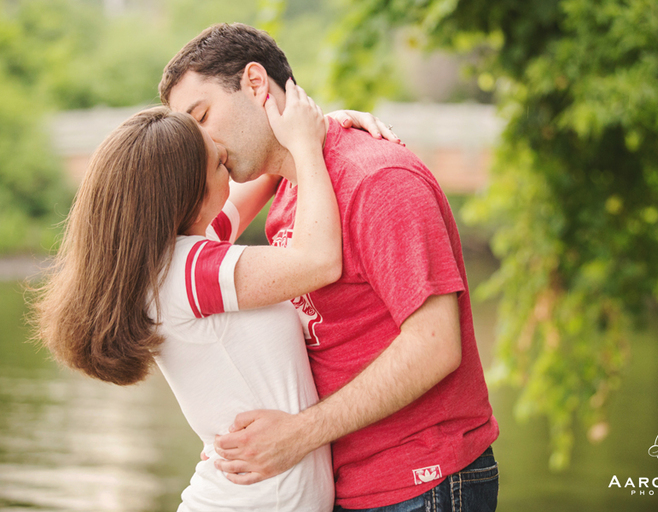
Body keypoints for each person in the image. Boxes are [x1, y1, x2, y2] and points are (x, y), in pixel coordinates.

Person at [160, 23, 500, 511]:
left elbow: (434, 346)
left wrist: (299, 434)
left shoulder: (377, 181)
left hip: (421, 483)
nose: (201, 146)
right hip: (348, 484)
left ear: (257, 85)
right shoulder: (291, 188)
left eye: (203, 116)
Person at [32, 81, 397, 511]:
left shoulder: (175, 258)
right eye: (221, 165)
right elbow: (319, 261)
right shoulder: (191, 270)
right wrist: (308, 146)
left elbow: (265, 174)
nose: (232, 166)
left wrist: (322, 127)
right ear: (192, 195)